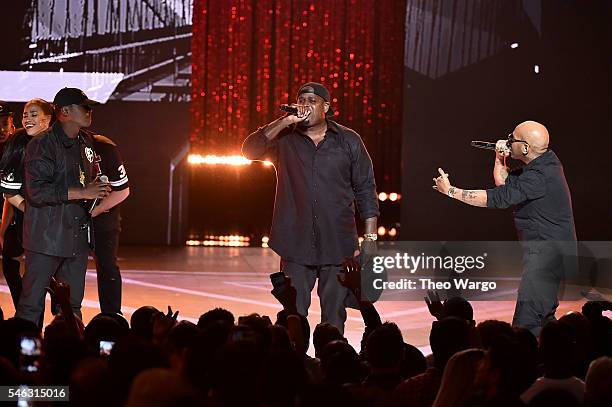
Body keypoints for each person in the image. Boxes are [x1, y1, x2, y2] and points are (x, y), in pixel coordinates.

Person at [242, 82, 379, 333]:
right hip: (296, 244)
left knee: (334, 319)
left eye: (311, 100)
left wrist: (369, 240)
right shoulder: (284, 139)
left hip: (338, 245)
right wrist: (284, 121)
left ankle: (331, 366)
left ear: (326, 106)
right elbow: (249, 150)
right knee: (293, 316)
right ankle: (295, 367)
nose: (305, 104)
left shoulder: (348, 141)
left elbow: (366, 190)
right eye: (301, 99)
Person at [432, 120, 576, 336]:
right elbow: (505, 183)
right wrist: (500, 157)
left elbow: (496, 197)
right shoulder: (546, 162)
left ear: (526, 148)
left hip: (547, 258)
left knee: (525, 325)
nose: (508, 140)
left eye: (513, 138)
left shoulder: (538, 177)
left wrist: (451, 191)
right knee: (543, 320)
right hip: (551, 255)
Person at [16, 88, 111, 326]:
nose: (89, 112)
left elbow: (80, 182)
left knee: (72, 308)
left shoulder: (86, 142)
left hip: (76, 239)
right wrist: (83, 191)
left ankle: (68, 356)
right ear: (65, 112)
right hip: (45, 239)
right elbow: (37, 192)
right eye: (84, 107)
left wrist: (96, 188)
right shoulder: (41, 144)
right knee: (31, 305)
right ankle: (26, 357)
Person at [0, 98, 54, 310]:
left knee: (40, 268)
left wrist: (3, 229)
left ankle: (39, 312)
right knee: (12, 266)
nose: (1, 129)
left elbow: (11, 195)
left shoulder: (22, 145)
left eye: (4, 124)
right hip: (20, 213)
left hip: (29, 215)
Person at [89, 132, 130, 314]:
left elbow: (122, 190)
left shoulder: (104, 146)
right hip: (68, 218)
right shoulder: (52, 144)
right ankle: (65, 316)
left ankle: (112, 316)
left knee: (107, 266)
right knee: (63, 266)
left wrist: (93, 212)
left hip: (102, 217)